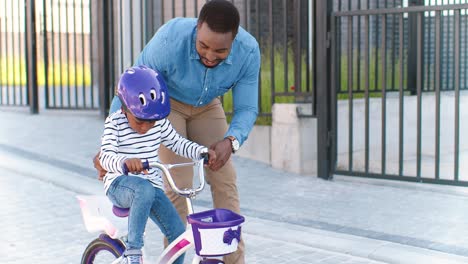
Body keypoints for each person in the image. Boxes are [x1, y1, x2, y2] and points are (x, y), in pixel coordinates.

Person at [95, 1, 260, 263]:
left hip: (207, 106)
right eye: (203, 46)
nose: (209, 56)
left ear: (234, 40)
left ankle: (233, 260)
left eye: (220, 51)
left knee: (224, 178)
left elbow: (248, 107)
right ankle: (176, 259)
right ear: (197, 28)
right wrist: (109, 148)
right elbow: (131, 87)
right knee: (178, 182)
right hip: (167, 106)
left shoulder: (248, 51)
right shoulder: (170, 38)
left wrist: (231, 141)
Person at [99, 65, 216, 264]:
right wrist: (124, 162)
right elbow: (105, 156)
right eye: (139, 121)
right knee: (143, 189)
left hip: (151, 187)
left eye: (151, 122)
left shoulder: (158, 122)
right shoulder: (115, 122)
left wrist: (201, 151)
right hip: (120, 184)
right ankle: (133, 251)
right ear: (124, 108)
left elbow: (177, 142)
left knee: (178, 232)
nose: (146, 127)